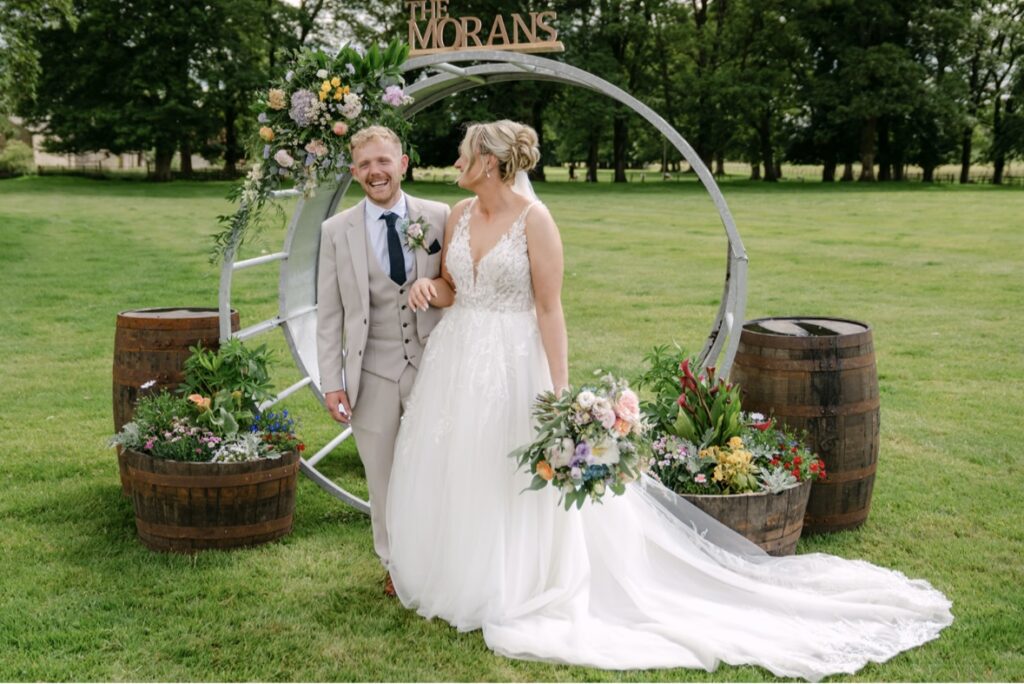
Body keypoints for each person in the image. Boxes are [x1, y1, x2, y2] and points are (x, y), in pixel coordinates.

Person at [385, 120, 953, 680]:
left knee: (512, 469)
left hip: (515, 362)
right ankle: (459, 573)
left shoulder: (537, 221)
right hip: (457, 361)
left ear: (488, 161)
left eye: (463, 153)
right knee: (460, 463)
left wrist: (561, 399)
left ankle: (515, 581)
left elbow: (550, 310)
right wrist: (428, 288)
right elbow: (451, 289)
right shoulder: (457, 216)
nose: (455, 161)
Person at [316, 125, 450, 596]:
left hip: (431, 366)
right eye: (366, 165)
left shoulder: (438, 216)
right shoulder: (336, 231)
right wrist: (332, 381)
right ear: (354, 173)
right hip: (370, 373)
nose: (376, 172)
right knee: (382, 476)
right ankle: (395, 567)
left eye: (384, 161)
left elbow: (456, 286)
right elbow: (329, 313)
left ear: (403, 164)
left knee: (435, 468)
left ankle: (439, 559)